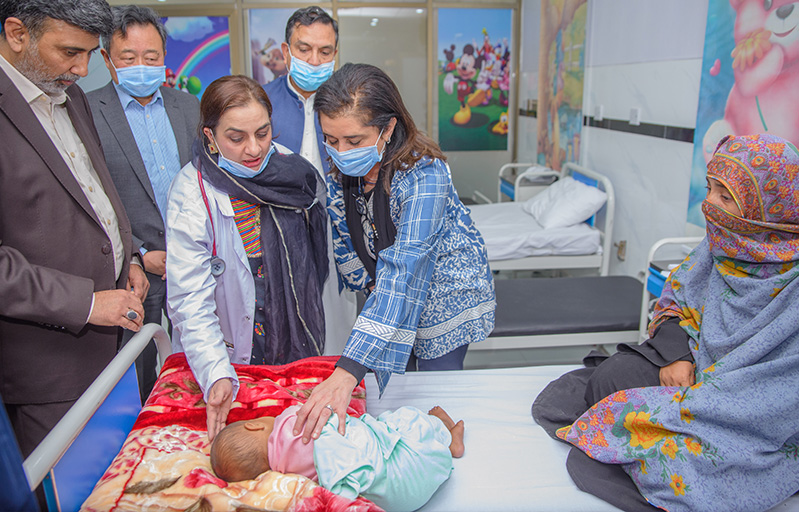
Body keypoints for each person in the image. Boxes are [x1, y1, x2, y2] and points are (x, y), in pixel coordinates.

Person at [532, 134, 799, 512]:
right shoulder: (719, 248)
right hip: (693, 368)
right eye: (710, 189)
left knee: (688, 460)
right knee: (611, 376)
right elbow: (676, 303)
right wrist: (678, 355)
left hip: (747, 405)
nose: (709, 204)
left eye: (726, 197)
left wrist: (705, 398)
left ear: (768, 210)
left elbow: (783, 392)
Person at [292, 63, 495, 444]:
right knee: (395, 395)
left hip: (442, 297)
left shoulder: (424, 175)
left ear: (387, 128)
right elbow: (344, 240)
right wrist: (373, 294)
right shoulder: (342, 171)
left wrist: (349, 368)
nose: (339, 152)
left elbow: (406, 269)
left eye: (353, 141)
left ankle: (444, 449)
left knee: (434, 397)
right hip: (389, 286)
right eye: (330, 141)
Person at [0, 0, 148, 500]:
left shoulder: (68, 94)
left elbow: (90, 192)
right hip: (47, 365)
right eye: (70, 52)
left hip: (106, 356)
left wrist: (124, 256)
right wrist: (86, 302)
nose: (82, 70)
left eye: (90, 54)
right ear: (17, 33)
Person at [165, 75, 328, 441]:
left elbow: (312, 263)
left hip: (293, 331)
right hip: (231, 344)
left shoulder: (292, 171)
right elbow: (189, 299)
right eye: (236, 138)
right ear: (210, 135)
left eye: (263, 132)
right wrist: (215, 371)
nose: (254, 149)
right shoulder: (192, 193)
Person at [87, 5, 200, 403]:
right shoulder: (86, 111)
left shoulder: (188, 106)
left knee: (196, 362)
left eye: (150, 58)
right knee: (137, 368)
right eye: (128, 58)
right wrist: (139, 253)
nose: (141, 66)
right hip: (134, 272)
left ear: (164, 58)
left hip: (196, 261)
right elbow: (91, 195)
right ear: (106, 59)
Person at [263, 6, 358, 355]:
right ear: (286, 52)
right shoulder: (262, 104)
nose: (314, 60)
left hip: (339, 238)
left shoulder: (352, 106)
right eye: (304, 49)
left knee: (337, 329)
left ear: (336, 54)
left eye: (325, 51)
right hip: (278, 238)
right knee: (284, 330)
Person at [211, 404, 463, 512]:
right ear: (253, 426)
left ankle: (447, 447)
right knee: (403, 419)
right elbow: (327, 411)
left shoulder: (285, 476)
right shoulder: (289, 421)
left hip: (399, 498)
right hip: (410, 463)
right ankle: (446, 436)